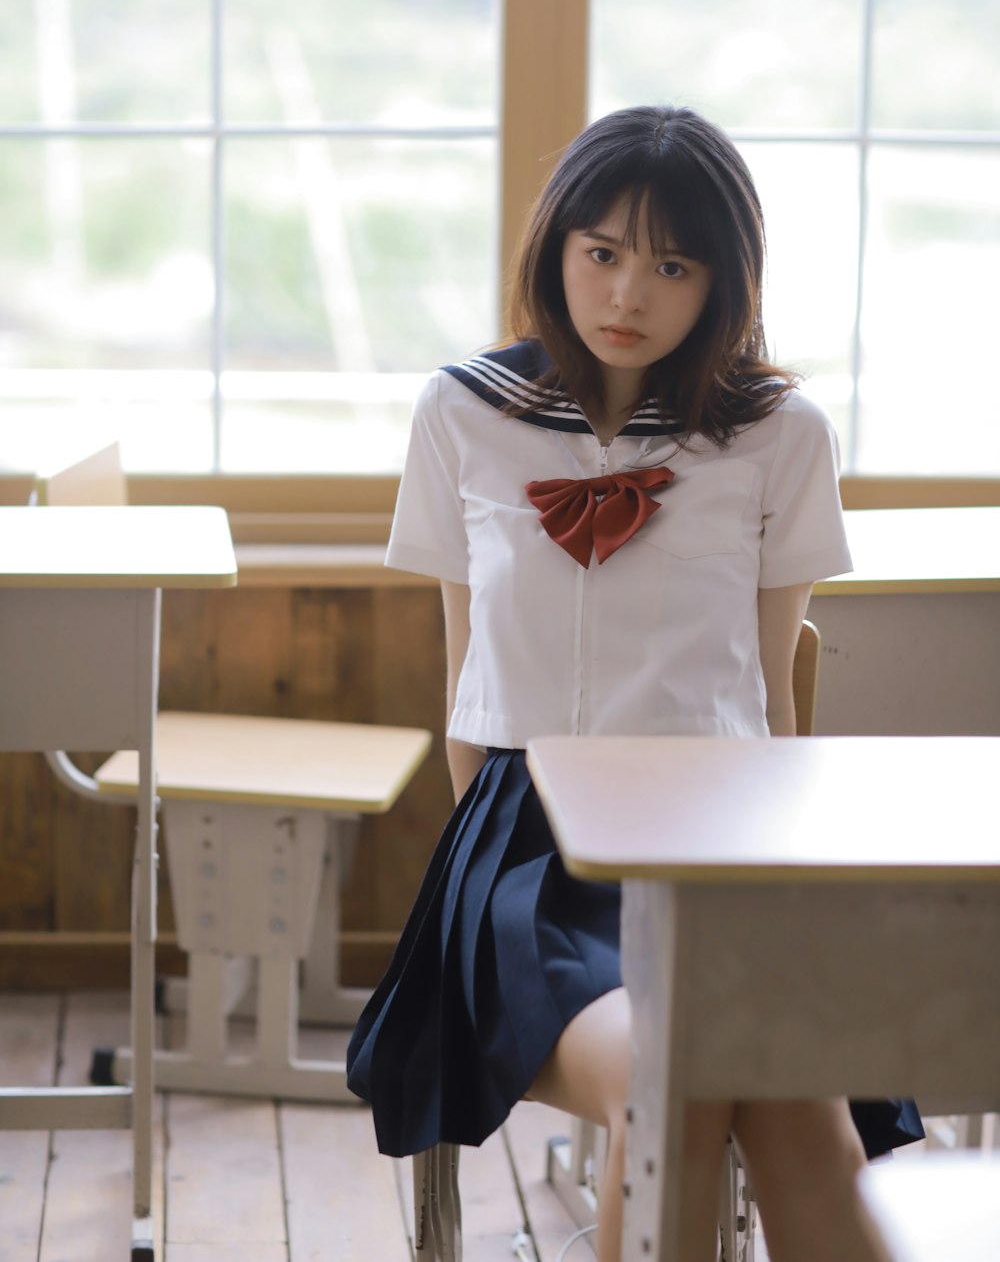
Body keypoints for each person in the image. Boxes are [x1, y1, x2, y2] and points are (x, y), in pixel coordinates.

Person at [346, 105, 922, 1262]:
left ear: (721, 281)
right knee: (681, 1072)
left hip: (718, 838)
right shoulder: (463, 410)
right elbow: (467, 675)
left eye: (671, 264)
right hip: (524, 842)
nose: (626, 295)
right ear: (555, 247)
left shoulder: (779, 434)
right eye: (602, 252)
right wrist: (474, 868)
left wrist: (787, 884)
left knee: (805, 1117)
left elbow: (769, 694)